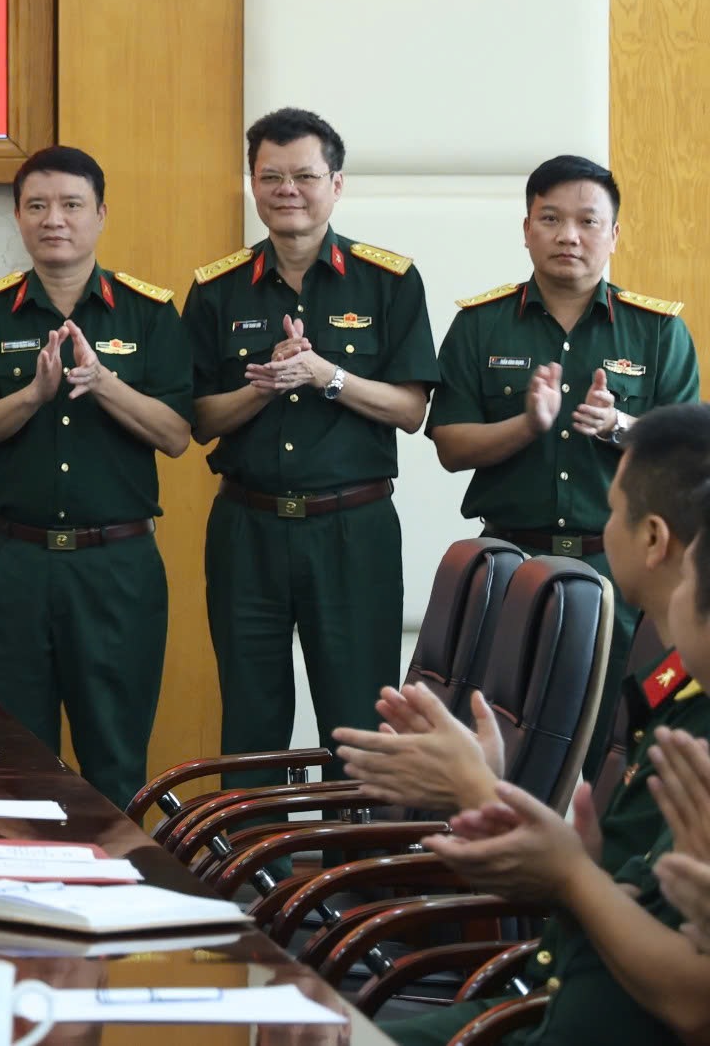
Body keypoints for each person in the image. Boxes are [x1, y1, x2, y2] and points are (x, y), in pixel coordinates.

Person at [379, 409, 710, 1046]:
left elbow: (689, 996)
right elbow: (629, 882)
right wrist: (504, 801)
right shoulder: (668, 688)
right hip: (552, 1001)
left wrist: (564, 866)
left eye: (612, 511)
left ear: (653, 539)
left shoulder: (693, 723)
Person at [183, 108, 436, 775]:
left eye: (304, 175)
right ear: (253, 184)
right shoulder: (216, 289)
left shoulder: (389, 280)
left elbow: (411, 409)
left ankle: (352, 849)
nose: (287, 189)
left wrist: (328, 375)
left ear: (336, 183)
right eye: (271, 176)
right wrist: (262, 388)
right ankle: (256, 844)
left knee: (358, 722)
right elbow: (197, 419)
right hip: (248, 528)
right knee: (251, 720)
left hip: (352, 529)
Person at [0, 145, 190, 810]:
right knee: (15, 759)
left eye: (71, 204)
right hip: (13, 564)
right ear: (19, 217)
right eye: (37, 205)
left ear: (100, 214)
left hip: (115, 568)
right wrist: (33, 394)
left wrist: (104, 383)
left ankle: (117, 877)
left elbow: (176, 434)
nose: (53, 219)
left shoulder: (148, 312)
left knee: (115, 757)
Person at [428, 155, 700, 723]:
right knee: (505, 741)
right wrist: (527, 426)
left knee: (615, 740)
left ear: (614, 234)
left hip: (621, 575)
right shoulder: (480, 324)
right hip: (510, 567)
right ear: (527, 229)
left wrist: (618, 425)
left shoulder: (658, 331)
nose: (568, 236)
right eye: (550, 219)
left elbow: (689, 459)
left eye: (587, 221)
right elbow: (450, 446)